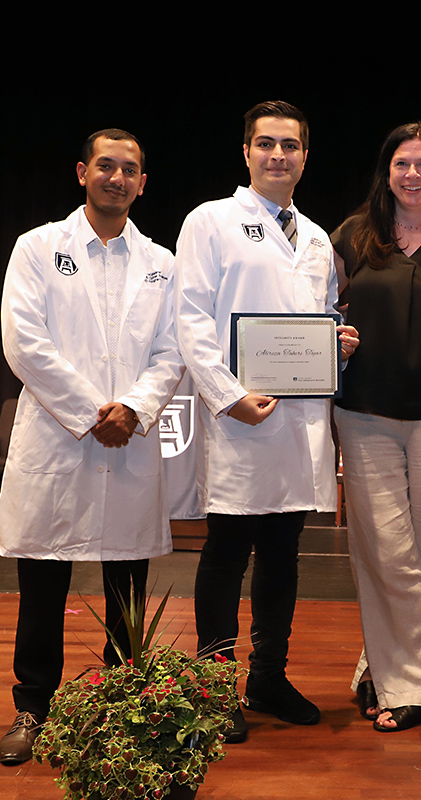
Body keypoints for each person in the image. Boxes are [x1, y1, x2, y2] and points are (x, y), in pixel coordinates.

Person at [174, 100, 359, 744]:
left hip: (298, 421)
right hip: (240, 419)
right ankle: (212, 690)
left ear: (306, 156)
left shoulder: (315, 238)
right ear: (246, 153)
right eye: (266, 144)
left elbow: (319, 318)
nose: (278, 155)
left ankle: (269, 677)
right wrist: (229, 395)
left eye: (290, 146)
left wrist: (338, 343)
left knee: (283, 556)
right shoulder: (211, 222)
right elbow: (190, 319)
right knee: (226, 554)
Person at [0, 129, 183, 765]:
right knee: (42, 587)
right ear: (82, 172)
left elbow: (172, 351)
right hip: (58, 442)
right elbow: (24, 342)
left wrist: (131, 408)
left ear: (141, 182)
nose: (117, 177)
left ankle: (121, 708)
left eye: (130, 169)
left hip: (128, 442)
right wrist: (90, 411)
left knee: (126, 586)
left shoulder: (162, 262)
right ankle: (32, 708)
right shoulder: (37, 248)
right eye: (106, 165)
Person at [331, 121, 421, 732]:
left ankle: (381, 665)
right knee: (385, 551)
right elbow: (319, 314)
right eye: (401, 164)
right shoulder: (351, 237)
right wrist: (330, 340)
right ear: (385, 172)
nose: (412, 175)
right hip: (364, 414)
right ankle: (420, 686)